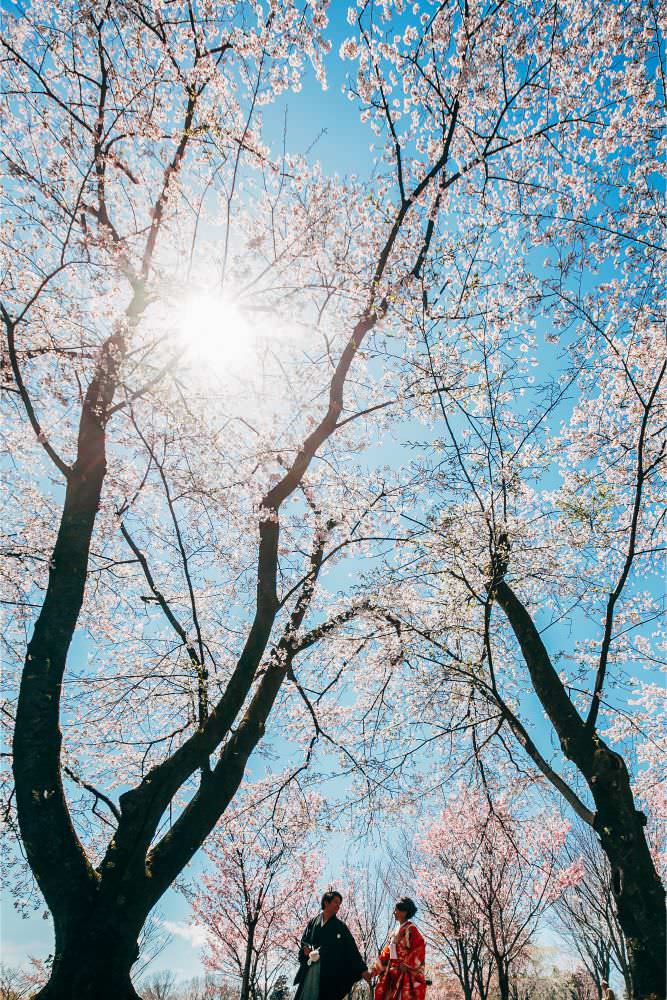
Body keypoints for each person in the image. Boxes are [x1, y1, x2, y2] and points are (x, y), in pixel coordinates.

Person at [294, 889, 371, 1000]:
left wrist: (363, 969)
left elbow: (351, 949)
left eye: (339, 904)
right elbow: (305, 940)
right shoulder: (313, 922)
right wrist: (306, 948)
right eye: (336, 902)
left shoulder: (340, 926)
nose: (338, 906)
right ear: (326, 902)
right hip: (311, 966)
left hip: (330, 971)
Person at [372, 897, 426, 1000]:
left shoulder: (411, 929)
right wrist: (374, 970)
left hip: (405, 973)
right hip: (392, 974)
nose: (394, 912)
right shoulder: (394, 932)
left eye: (396, 910)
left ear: (404, 912)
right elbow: (386, 953)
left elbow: (419, 948)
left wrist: (406, 964)